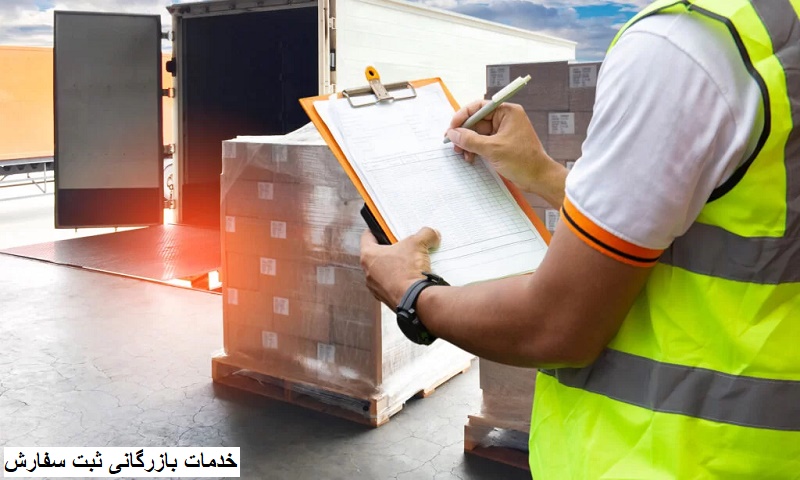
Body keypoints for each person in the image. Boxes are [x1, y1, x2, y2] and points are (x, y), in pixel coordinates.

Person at [359, 0, 800, 477]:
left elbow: (553, 324)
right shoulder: (775, 31)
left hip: (666, 458)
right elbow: (703, 230)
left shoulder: (688, 42)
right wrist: (542, 172)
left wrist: (410, 293)